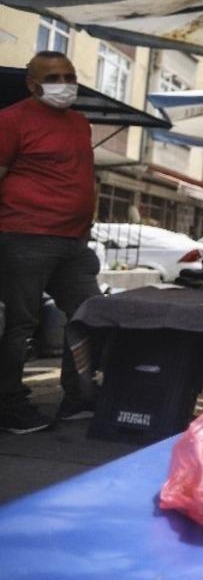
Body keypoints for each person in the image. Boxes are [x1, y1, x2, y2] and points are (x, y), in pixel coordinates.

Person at [0, 52, 100, 433]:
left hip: (73, 242)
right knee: (20, 326)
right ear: (32, 84)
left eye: (69, 75)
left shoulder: (79, 123)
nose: (64, 83)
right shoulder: (11, 121)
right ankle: (9, 405)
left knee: (89, 316)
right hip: (25, 236)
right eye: (53, 77)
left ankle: (76, 399)